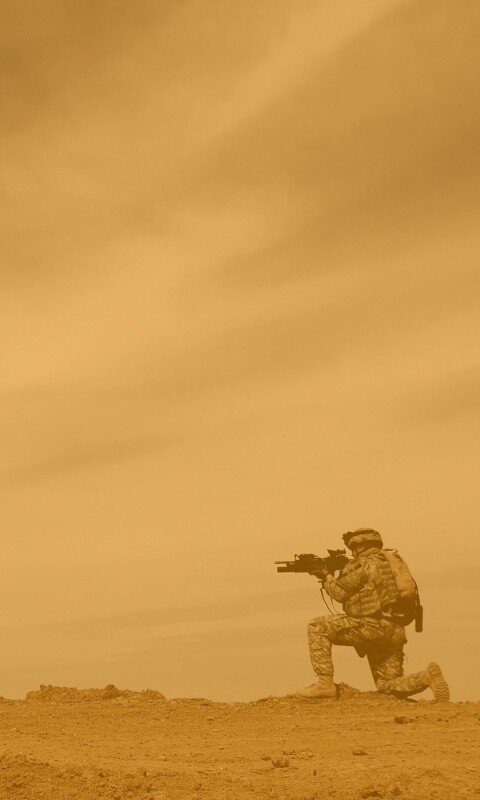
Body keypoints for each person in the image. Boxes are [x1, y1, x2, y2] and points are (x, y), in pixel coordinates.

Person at [295, 528, 450, 701]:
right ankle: (426, 677)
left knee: (317, 626)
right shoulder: (392, 563)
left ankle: (324, 684)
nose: (352, 553)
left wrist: (326, 575)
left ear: (361, 546)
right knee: (386, 684)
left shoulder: (363, 564)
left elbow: (339, 593)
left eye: (354, 548)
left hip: (372, 626)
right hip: (395, 630)